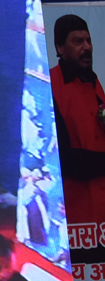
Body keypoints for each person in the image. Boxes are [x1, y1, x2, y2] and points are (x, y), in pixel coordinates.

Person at [49, 14, 105, 232]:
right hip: (77, 214)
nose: (87, 47)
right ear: (60, 47)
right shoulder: (53, 87)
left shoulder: (93, 82)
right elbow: (67, 159)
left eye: (88, 41)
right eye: (78, 41)